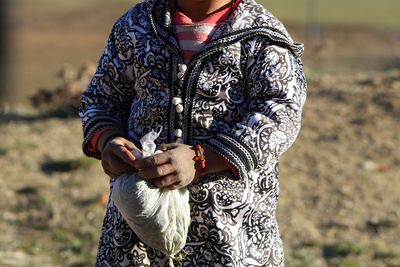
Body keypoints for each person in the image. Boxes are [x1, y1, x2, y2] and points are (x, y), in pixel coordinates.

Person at [79, 0, 307, 265]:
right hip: (135, 235)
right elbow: (101, 98)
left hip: (228, 238)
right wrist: (108, 140)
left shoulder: (261, 36)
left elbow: (281, 114)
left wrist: (203, 159)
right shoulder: (136, 25)